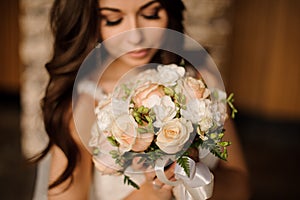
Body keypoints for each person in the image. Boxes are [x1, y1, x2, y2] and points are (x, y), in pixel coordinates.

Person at [33, 0, 250, 199]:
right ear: (91, 20)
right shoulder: (84, 104)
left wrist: (193, 172)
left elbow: (240, 186)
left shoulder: (197, 80)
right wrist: (155, 191)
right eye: (113, 19)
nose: (136, 36)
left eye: (151, 14)